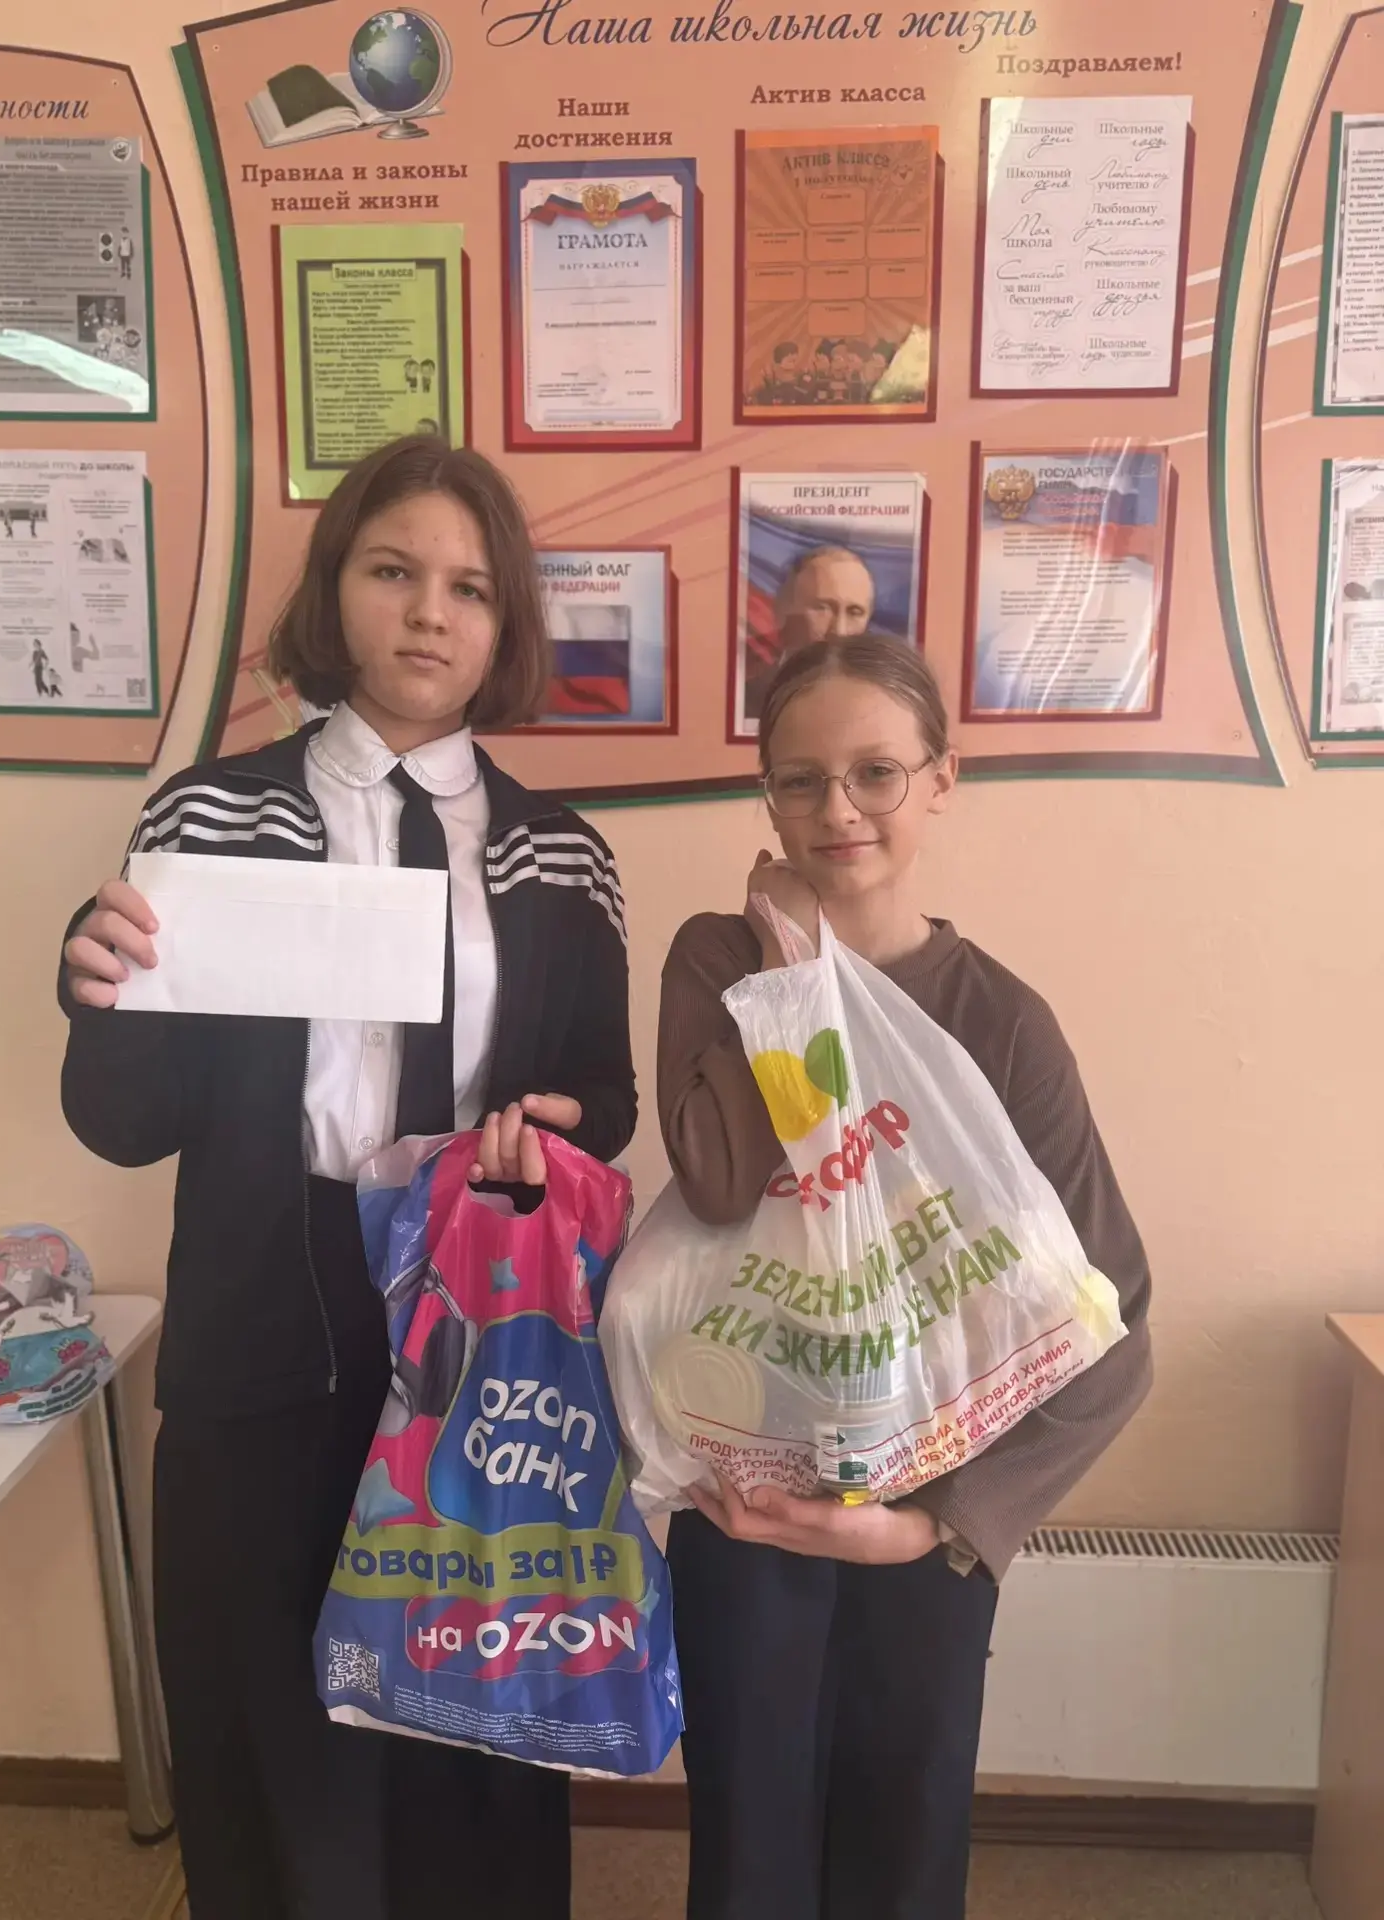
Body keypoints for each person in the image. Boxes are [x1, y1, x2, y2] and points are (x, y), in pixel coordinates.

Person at [57, 434, 636, 1920]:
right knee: (272, 1724)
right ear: (336, 592)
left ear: (505, 622)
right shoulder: (207, 819)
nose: (430, 612)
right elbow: (125, 1122)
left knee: (469, 1723)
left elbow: (610, 1102)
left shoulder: (563, 855)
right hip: (267, 1319)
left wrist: (555, 1132)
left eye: (470, 588)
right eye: (393, 572)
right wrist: (97, 987)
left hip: (477, 1334)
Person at [658, 636, 1152, 1920]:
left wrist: (943, 1525)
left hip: (926, 1517)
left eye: (876, 773)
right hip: (749, 1498)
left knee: (906, 1834)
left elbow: (1116, 1317)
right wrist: (792, 970)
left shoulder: (1001, 1020)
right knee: (750, 1839)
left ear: (941, 780)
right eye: (800, 779)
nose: (838, 810)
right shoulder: (718, 962)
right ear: (767, 798)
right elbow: (718, 1181)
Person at [742, 545, 876, 722]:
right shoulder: (749, 701)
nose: (840, 631)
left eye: (855, 612)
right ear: (783, 610)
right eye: (822, 608)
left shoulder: (879, 706)